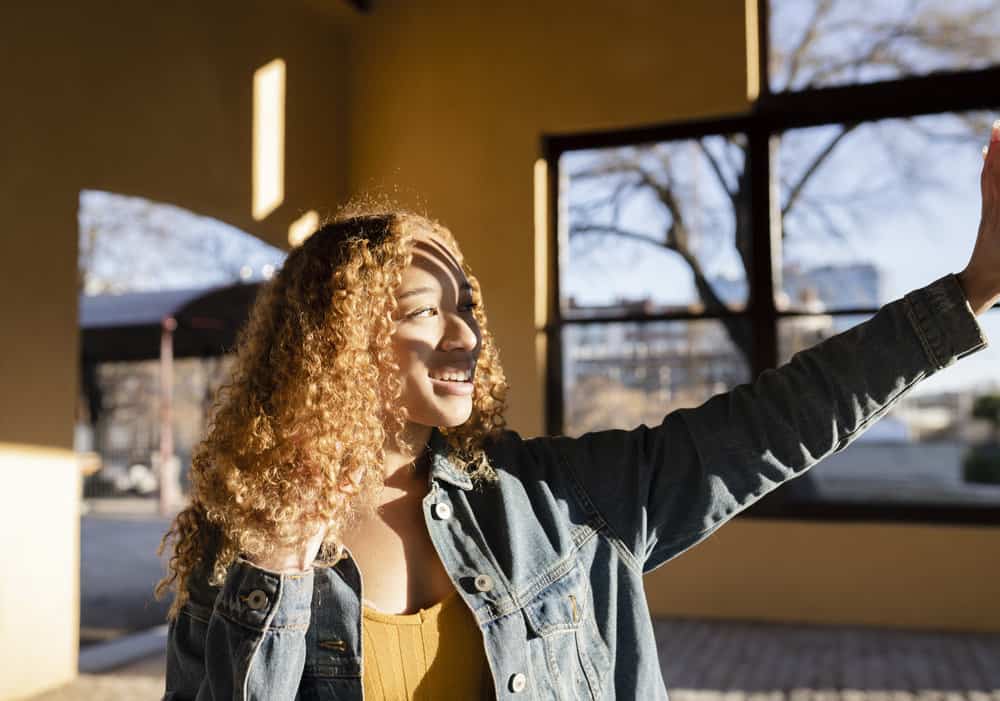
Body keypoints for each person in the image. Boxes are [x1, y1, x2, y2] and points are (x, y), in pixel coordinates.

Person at [157, 123, 1000, 700]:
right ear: (336, 342)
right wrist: (273, 571)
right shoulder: (245, 543)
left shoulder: (560, 502)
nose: (466, 336)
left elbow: (769, 425)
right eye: (423, 311)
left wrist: (973, 292)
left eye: (468, 309)